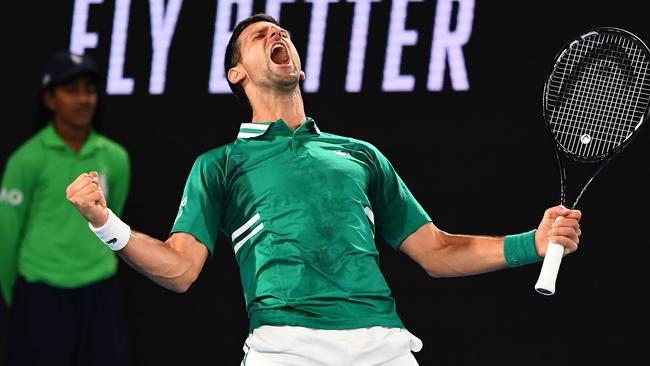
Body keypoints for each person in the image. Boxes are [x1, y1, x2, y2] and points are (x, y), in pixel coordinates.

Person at [65, 13, 581, 366]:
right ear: (236, 72)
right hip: (286, 348)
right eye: (261, 34)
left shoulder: (360, 154)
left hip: (382, 344)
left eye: (283, 32)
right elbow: (179, 270)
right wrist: (103, 223)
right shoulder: (221, 165)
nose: (278, 36)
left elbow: (437, 251)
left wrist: (530, 244)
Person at [0, 51, 131, 365]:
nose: (84, 99)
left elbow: (115, 215)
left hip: (99, 291)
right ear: (49, 99)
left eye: (89, 89)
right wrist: (16, 300)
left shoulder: (115, 157)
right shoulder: (26, 159)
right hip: (41, 293)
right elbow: (6, 235)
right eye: (71, 90)